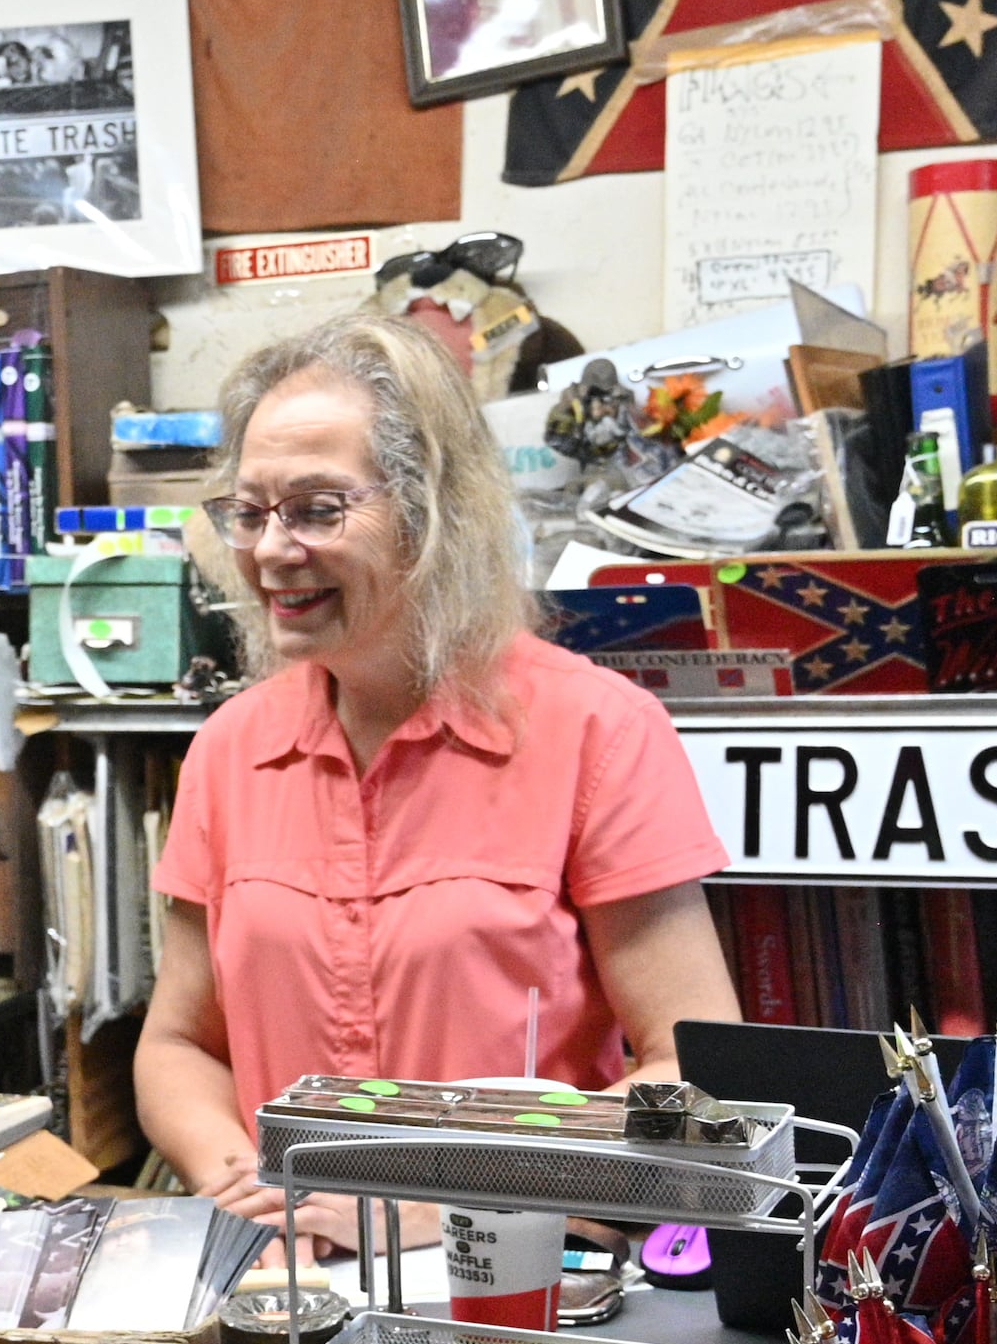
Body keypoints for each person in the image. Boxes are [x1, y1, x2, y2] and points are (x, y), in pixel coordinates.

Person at [134, 312, 742, 1252]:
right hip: (289, 1284)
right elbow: (178, 1046)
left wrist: (441, 1205)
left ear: (431, 511)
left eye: (316, 509)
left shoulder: (595, 731)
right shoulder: (228, 750)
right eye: (250, 512)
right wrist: (248, 1187)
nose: (270, 550)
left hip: (521, 1278)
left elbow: (693, 1077)